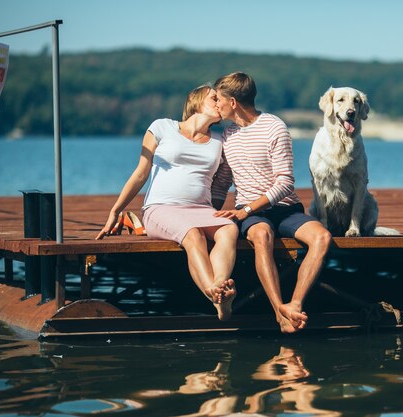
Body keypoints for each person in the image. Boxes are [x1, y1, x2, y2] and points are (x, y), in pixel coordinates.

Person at [96, 85, 238, 321]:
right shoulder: (162, 127)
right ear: (195, 99)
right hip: (160, 209)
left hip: (201, 209)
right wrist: (116, 210)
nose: (218, 102)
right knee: (194, 236)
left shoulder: (219, 141)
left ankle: (220, 288)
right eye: (214, 97)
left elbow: (224, 181)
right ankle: (214, 296)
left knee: (229, 229)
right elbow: (141, 173)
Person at [212, 72, 332, 333]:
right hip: (255, 217)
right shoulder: (227, 135)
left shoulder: (274, 126)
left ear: (232, 102)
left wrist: (245, 210)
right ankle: (280, 311)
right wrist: (205, 214)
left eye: (218, 99)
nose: (215, 105)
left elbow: (285, 183)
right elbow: (222, 183)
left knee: (322, 237)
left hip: (284, 209)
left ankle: (295, 305)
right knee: (262, 235)